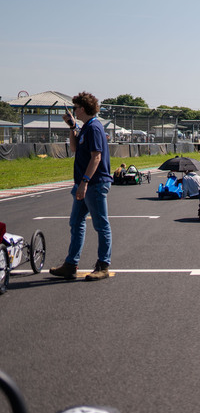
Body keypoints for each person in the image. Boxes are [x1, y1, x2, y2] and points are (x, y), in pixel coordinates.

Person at [50, 92, 113, 281]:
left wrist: (84, 183)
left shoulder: (94, 128)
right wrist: (72, 127)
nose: (74, 111)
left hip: (94, 184)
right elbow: (75, 148)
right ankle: (71, 264)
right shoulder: (86, 127)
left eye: (75, 108)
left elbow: (97, 157)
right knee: (76, 223)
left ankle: (103, 265)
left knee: (101, 225)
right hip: (85, 183)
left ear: (82, 108)